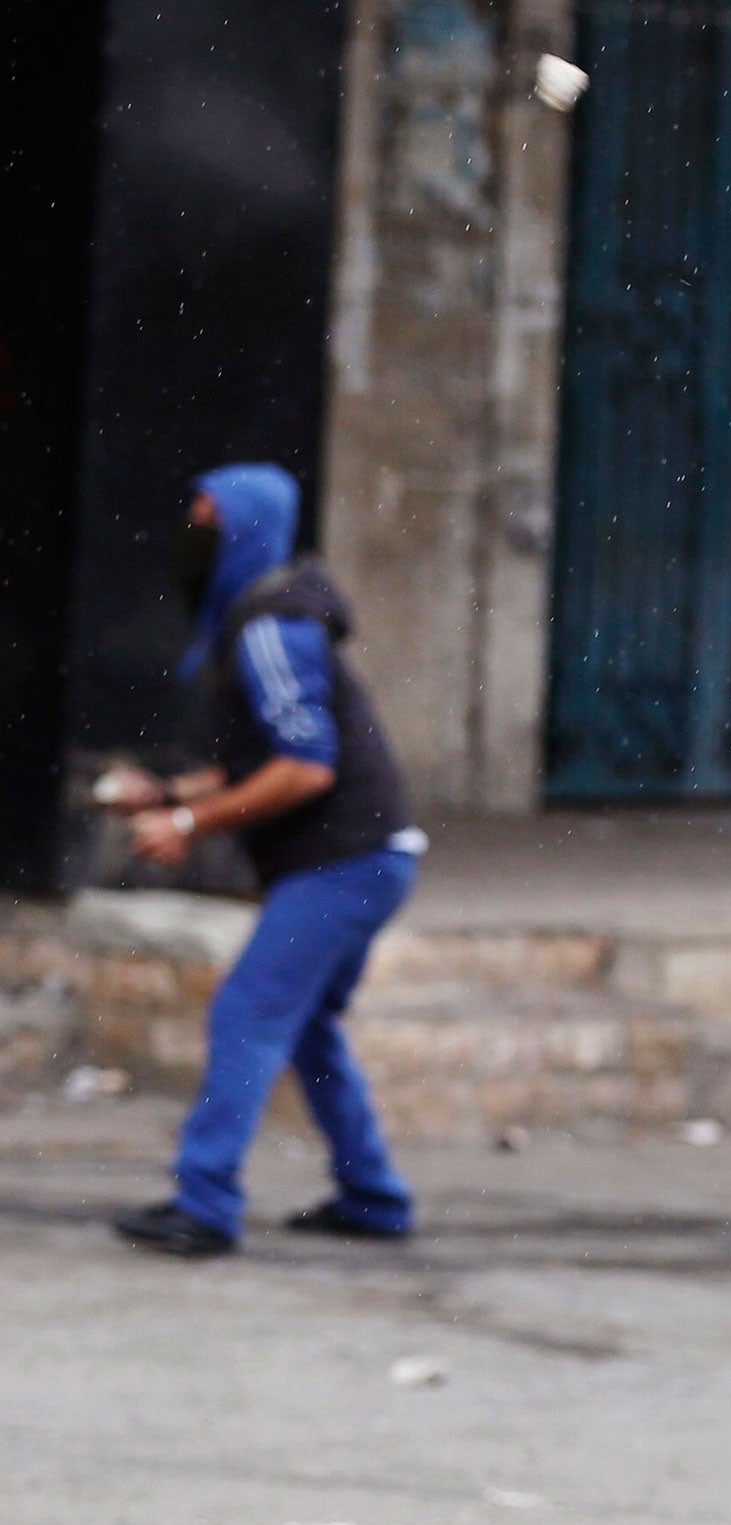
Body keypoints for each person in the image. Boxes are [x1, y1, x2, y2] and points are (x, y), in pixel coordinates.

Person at [107, 464, 426, 1257]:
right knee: (307, 1026)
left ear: (243, 528)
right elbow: (260, 755)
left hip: (344, 863)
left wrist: (188, 821)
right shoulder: (258, 620)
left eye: (206, 517)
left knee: (248, 1011)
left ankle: (205, 1204)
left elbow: (306, 766)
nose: (192, 530)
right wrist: (168, 793)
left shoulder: (272, 628)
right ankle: (374, 1196)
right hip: (361, 859)